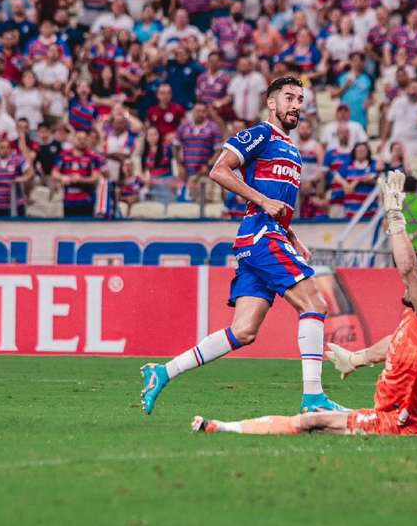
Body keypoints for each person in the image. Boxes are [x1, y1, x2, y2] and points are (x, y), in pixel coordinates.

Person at [191, 171, 417, 437]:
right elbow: (394, 345)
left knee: (313, 419)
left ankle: (219, 427)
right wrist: (357, 358)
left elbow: (408, 268)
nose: (412, 284)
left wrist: (395, 215)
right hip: (407, 415)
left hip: (391, 421)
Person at [141, 76, 346, 415]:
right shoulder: (261, 134)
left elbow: (277, 203)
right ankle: (313, 398)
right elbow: (219, 171)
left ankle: (163, 372)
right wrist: (264, 202)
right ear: (272, 103)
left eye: (300, 99)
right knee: (315, 303)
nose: (296, 105)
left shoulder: (292, 150)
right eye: (289, 98)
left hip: (264, 237)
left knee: (244, 331)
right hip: (262, 236)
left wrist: (293, 236)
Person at [53, 130, 103, 218]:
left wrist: (80, 179)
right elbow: (54, 173)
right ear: (73, 139)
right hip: (68, 200)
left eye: (84, 139)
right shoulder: (64, 155)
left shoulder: (93, 157)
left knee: (86, 229)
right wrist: (64, 177)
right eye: (79, 138)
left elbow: (95, 178)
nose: (82, 141)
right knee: (67, 228)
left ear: (88, 140)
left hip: (86, 200)